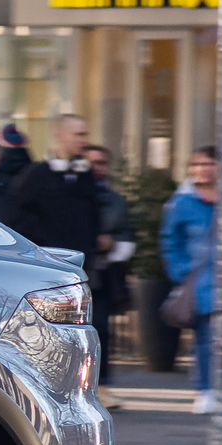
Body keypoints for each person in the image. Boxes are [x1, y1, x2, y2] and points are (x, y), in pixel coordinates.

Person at [161, 147, 222, 413]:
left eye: (208, 163)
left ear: (220, 167)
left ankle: (221, 389)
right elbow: (169, 239)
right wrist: (181, 272)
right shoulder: (181, 202)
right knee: (205, 335)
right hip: (199, 281)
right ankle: (206, 390)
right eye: (197, 164)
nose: (202, 169)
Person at [10, 114, 106, 262]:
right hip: (48, 263)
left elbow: (93, 216)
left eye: (85, 135)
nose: (83, 140)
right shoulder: (35, 175)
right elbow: (20, 221)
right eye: (78, 135)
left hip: (80, 263)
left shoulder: (86, 175)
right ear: (59, 135)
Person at [82, 144, 134, 373]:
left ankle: (101, 382)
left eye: (101, 163)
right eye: (92, 163)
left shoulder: (115, 201)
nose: (97, 168)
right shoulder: (71, 196)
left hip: (103, 274)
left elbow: (127, 235)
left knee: (101, 329)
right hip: (74, 271)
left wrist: (112, 244)